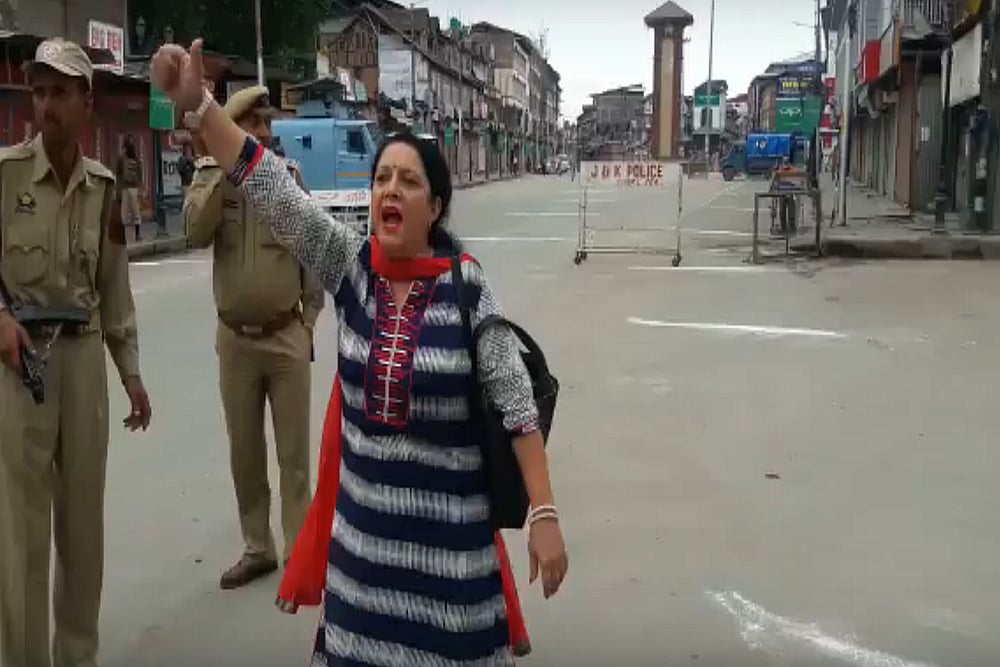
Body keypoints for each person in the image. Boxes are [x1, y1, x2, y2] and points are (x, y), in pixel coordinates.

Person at [153, 39, 567, 666]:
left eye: (408, 181)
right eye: (380, 180)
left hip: (453, 583)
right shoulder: (351, 269)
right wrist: (198, 104)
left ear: (436, 205)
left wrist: (543, 511)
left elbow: (517, 408)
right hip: (362, 579)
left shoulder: (467, 287)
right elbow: (274, 191)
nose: (389, 192)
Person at [0, 37, 152, 667]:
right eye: (38, 92)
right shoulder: (5, 175)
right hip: (19, 363)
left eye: (60, 91)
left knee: (82, 529)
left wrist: (132, 374)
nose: (47, 104)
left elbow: (114, 285)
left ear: (86, 102)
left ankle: (76, 656)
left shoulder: (104, 187)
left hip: (85, 359)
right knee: (21, 533)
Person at [183, 85, 326, 590]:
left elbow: (313, 248)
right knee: (244, 452)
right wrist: (226, 172)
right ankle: (257, 548)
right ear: (231, 129)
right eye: (252, 124)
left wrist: (308, 321)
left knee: (293, 456)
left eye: (267, 123)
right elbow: (193, 234)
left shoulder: (287, 180)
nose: (264, 132)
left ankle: (300, 552)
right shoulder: (208, 178)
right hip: (235, 343)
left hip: (286, 334)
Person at [116, 133, 143, 241]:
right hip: (131, 188)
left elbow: (118, 173)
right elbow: (140, 173)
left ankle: (130, 235)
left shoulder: (122, 158)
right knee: (133, 212)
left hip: (127, 188)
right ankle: (136, 235)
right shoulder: (134, 158)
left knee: (126, 213)